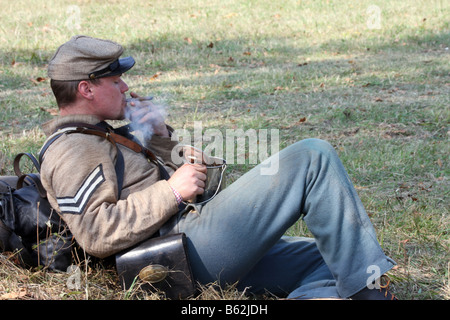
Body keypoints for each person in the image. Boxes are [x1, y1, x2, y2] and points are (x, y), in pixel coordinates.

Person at [40, 35, 397, 300]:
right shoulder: (72, 149)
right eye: (115, 81)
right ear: (86, 88)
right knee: (311, 157)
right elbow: (95, 233)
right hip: (176, 259)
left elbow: (208, 185)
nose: (125, 86)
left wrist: (162, 137)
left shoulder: (102, 135)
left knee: (338, 254)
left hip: (194, 244)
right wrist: (171, 192)